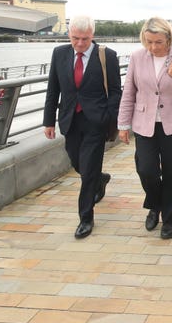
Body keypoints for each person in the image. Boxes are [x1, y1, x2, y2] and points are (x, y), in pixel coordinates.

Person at [117, 17, 172, 239]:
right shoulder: (137, 57)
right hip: (144, 123)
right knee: (146, 169)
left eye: (158, 42)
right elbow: (129, 92)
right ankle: (155, 205)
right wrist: (123, 124)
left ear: (168, 39)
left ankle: (169, 218)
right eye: (149, 42)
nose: (153, 47)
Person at [43, 15, 121, 239]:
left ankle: (85, 218)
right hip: (70, 119)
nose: (79, 43)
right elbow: (53, 89)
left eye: (85, 39)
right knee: (77, 161)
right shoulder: (59, 54)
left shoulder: (107, 56)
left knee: (87, 171)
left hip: (96, 121)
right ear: (69, 35)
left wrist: (109, 116)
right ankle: (100, 179)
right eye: (75, 38)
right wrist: (48, 121)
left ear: (92, 36)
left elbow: (116, 90)